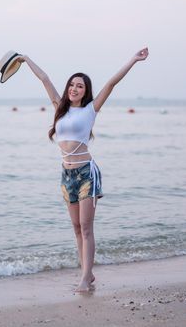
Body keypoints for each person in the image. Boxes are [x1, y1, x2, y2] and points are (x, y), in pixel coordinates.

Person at [19, 48, 149, 292]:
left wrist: (133, 59)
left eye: (79, 86)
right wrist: (26, 60)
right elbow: (45, 78)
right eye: (72, 85)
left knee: (87, 228)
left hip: (87, 173)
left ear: (86, 91)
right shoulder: (60, 108)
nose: (74, 89)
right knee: (77, 228)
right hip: (66, 175)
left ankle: (85, 277)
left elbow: (112, 83)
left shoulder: (90, 110)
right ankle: (86, 274)